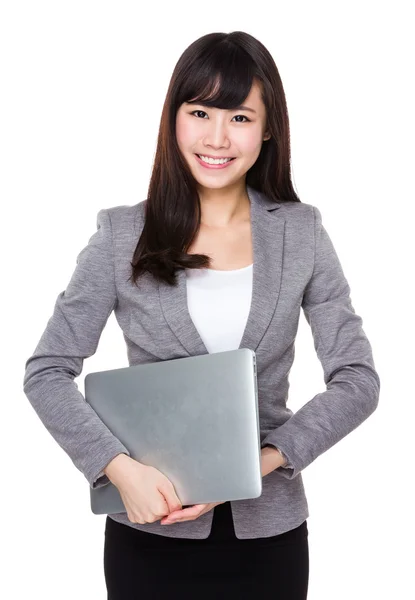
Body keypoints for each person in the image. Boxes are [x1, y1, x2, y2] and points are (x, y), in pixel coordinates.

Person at [23, 31, 380, 600]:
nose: (217, 137)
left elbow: (358, 380)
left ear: (267, 129)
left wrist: (258, 463)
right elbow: (46, 370)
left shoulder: (302, 232)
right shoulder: (122, 235)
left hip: (269, 538)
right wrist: (118, 468)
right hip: (149, 532)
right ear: (174, 120)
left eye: (239, 117)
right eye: (200, 112)